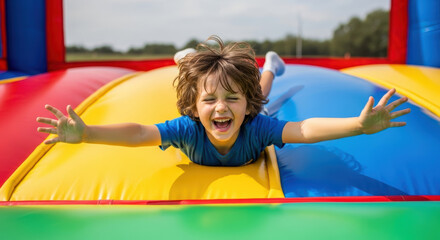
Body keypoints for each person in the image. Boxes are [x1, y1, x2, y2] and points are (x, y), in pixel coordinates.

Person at [37, 35, 410, 166]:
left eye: (231, 100)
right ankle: (190, 65)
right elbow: (138, 133)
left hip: (254, 107)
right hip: (217, 98)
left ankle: (271, 66)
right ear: (194, 110)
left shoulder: (255, 125)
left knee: (260, 96)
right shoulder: (188, 129)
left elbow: (305, 129)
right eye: (209, 101)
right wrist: (87, 134)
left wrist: (358, 126)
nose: (220, 108)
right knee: (229, 90)